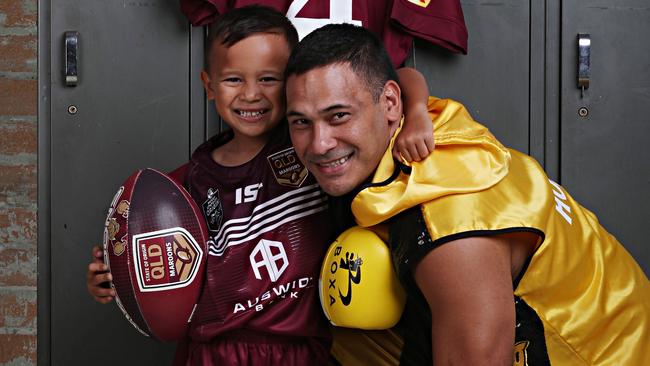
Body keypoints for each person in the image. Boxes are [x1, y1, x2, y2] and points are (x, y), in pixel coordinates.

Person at [86, 6, 434, 365]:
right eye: (234, 79)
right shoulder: (188, 181)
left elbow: (403, 75)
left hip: (300, 350)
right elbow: (138, 239)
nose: (251, 94)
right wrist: (114, 274)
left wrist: (418, 112)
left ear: (294, 86)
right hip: (211, 351)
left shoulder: (311, 150)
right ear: (209, 86)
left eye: (269, 79)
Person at [284, 23, 650, 365]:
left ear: (389, 104)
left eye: (338, 117)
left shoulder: (449, 228)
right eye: (301, 121)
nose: (319, 143)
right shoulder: (417, 121)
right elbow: (405, 77)